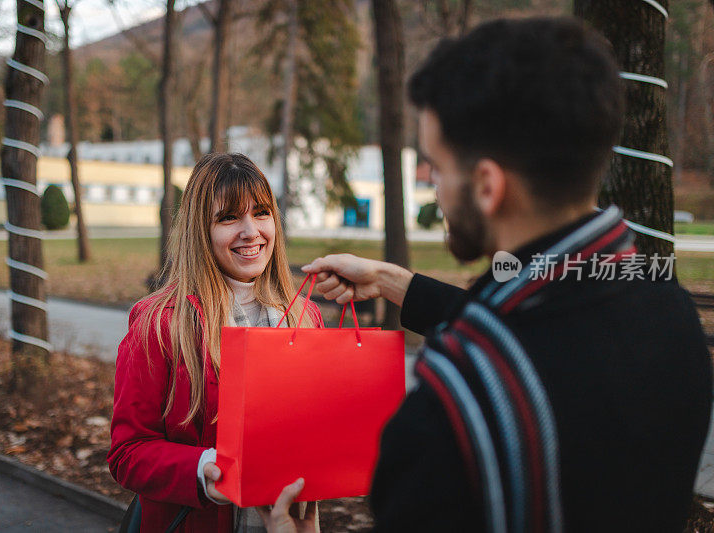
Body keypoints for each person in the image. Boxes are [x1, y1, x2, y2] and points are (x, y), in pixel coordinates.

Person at [261, 17, 712, 533]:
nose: (432, 186)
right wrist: (391, 280)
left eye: (436, 166)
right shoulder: (670, 315)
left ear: (487, 186)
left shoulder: (454, 407)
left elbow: (526, 347)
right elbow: (554, 333)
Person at [107, 152, 322, 533]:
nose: (250, 232)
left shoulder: (304, 316)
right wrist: (204, 470)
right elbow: (128, 453)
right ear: (200, 230)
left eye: (261, 213)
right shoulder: (159, 324)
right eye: (228, 217)